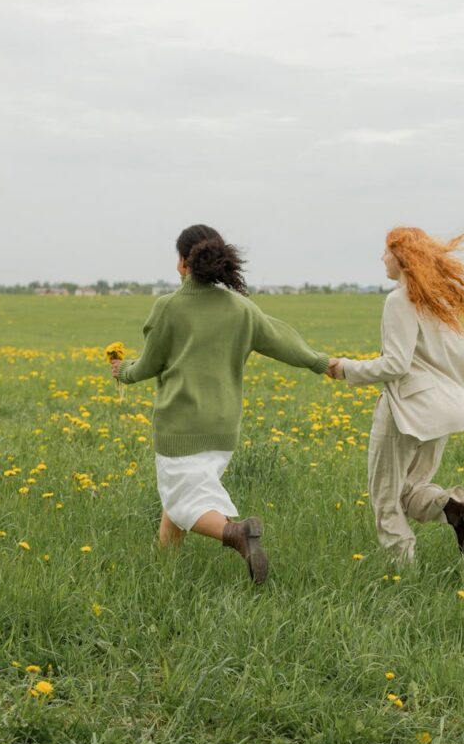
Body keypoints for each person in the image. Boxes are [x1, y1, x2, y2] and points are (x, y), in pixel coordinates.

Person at [109, 224, 330, 584]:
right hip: (223, 428)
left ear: (184, 263)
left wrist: (124, 371)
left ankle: (237, 534)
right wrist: (320, 362)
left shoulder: (168, 307)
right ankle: (164, 568)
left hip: (181, 424)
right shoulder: (240, 308)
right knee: (180, 495)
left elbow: (149, 364)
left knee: (183, 499)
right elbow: (281, 339)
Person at [327, 227, 464, 566]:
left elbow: (395, 364)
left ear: (402, 257)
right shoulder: (434, 299)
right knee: (411, 490)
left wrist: (345, 368)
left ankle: (402, 574)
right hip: (439, 410)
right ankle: (456, 510)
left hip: (405, 409)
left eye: (386, 252)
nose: (382, 258)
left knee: (386, 497)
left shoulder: (399, 299)